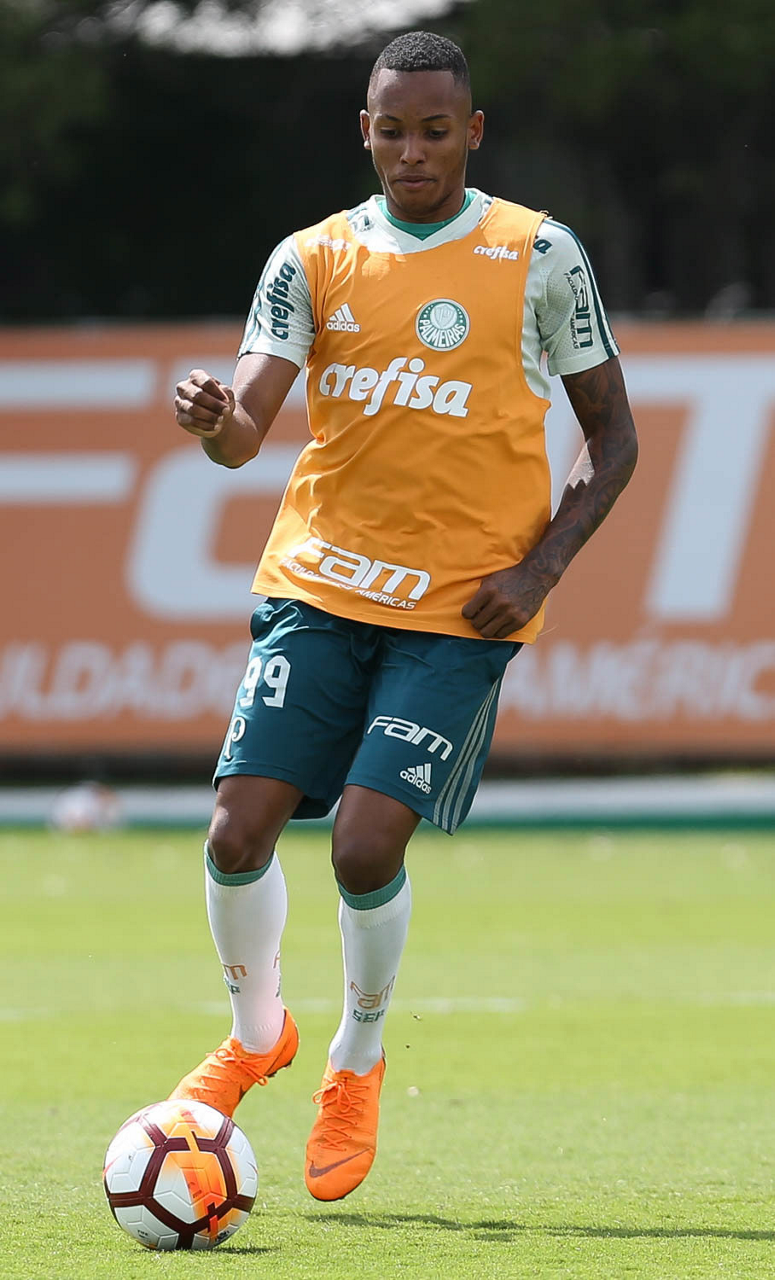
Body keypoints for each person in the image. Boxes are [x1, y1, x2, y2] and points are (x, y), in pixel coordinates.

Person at [169, 29, 638, 1203]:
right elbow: (245, 433)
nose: (413, 151)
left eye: (435, 130)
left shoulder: (539, 253)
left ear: (470, 132)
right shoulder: (312, 258)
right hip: (317, 586)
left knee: (363, 844)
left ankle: (356, 1054)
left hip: (459, 607)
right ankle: (258, 1034)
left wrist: (541, 569)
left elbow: (615, 436)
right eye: (392, 130)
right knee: (233, 833)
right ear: (364, 133)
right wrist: (216, 418)